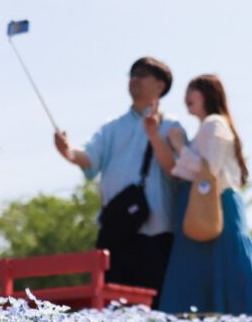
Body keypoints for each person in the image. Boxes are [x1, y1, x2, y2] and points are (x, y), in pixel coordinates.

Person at [54, 57, 187, 304]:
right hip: (116, 230)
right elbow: (89, 158)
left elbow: (179, 171)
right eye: (132, 73)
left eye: (143, 74)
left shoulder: (171, 126)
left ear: (160, 85)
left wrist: (155, 135)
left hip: (156, 234)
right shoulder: (111, 127)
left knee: (154, 310)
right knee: (110, 308)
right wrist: (68, 151)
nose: (135, 79)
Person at [149, 74, 252, 315]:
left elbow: (208, 170)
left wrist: (178, 146)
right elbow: (182, 170)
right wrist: (159, 137)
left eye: (192, 90)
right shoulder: (209, 126)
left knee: (215, 266)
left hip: (215, 207)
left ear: (208, 93)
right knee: (210, 269)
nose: (186, 97)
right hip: (205, 208)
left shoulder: (214, 123)